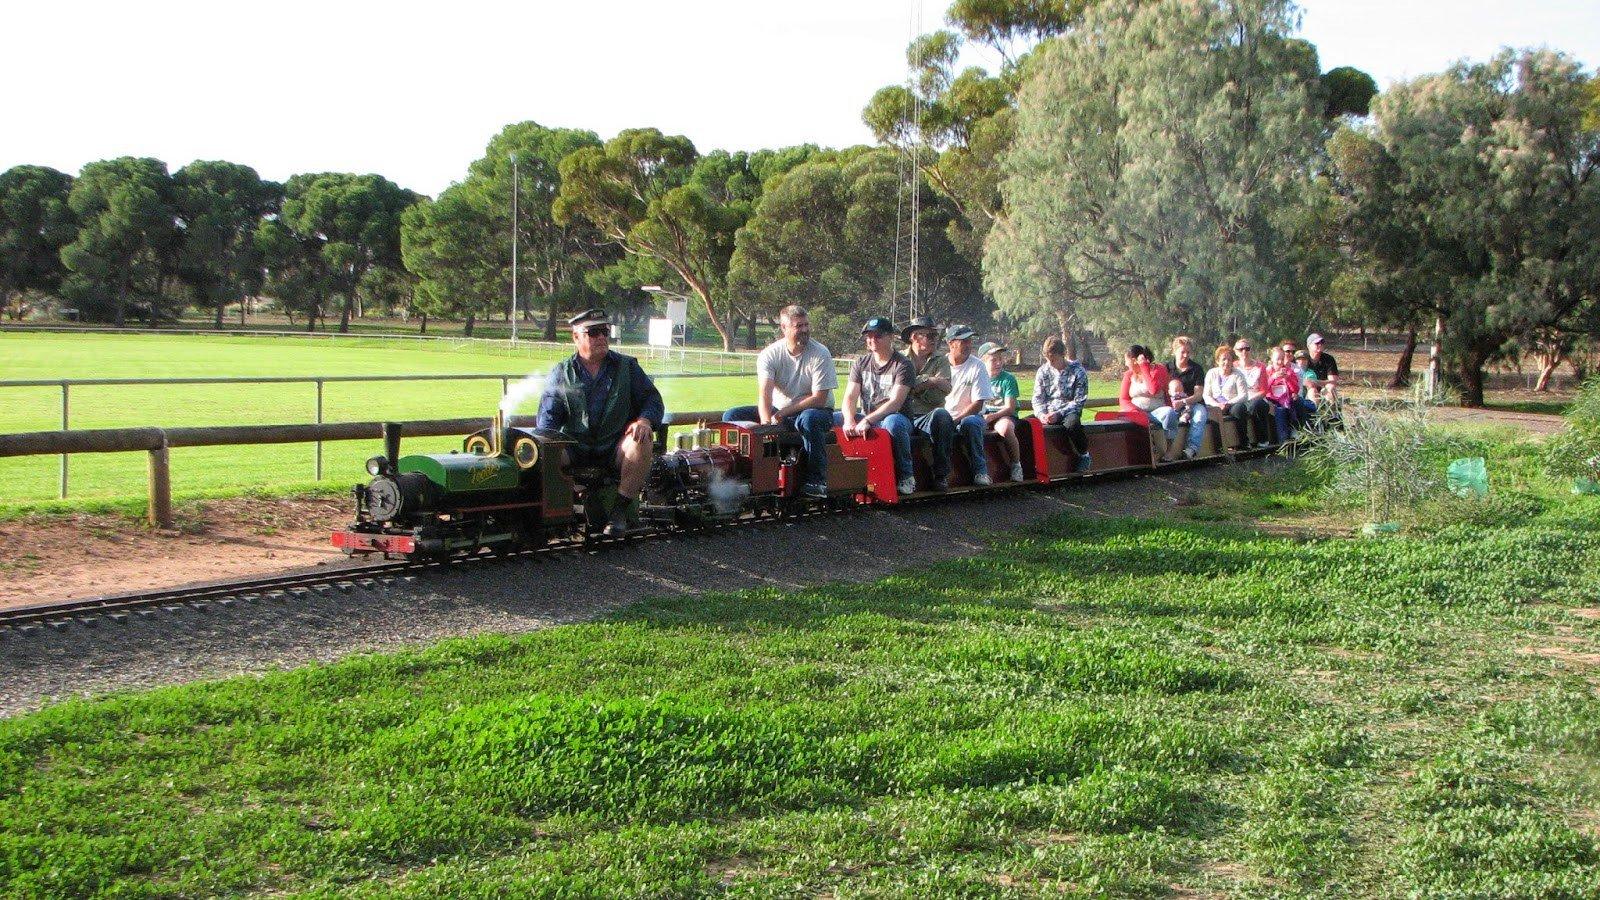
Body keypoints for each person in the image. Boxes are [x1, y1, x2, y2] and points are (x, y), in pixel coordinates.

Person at [536, 309, 665, 536]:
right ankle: (557, 514)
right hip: (575, 446)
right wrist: (546, 443)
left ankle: (619, 513)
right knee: (542, 452)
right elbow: (548, 421)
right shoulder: (560, 373)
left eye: (605, 331)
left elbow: (652, 399)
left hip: (614, 447)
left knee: (641, 440)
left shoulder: (627, 367)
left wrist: (644, 421)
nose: (601, 337)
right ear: (576, 337)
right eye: (593, 332)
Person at [724, 304, 837, 498]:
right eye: (798, 326)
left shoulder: (820, 353)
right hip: (780, 410)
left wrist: (785, 412)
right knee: (732, 416)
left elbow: (819, 398)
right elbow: (765, 394)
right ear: (784, 328)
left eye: (806, 325)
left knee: (808, 419)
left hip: (816, 412)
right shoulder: (770, 354)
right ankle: (740, 474)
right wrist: (766, 425)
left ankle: (817, 481)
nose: (804, 330)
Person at [836, 317, 918, 497]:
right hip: (866, 416)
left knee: (893, 423)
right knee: (833, 418)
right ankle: (833, 476)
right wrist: (849, 420)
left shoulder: (903, 365)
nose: (872, 340)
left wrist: (867, 420)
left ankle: (907, 477)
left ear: (891, 337)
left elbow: (895, 403)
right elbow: (849, 397)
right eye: (869, 336)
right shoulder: (861, 363)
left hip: (896, 417)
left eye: (878, 336)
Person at [901, 316, 956, 491]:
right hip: (904, 414)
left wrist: (914, 387)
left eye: (936, 335)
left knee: (942, 415)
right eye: (929, 336)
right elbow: (900, 390)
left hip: (929, 415)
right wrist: (931, 381)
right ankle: (903, 476)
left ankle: (941, 475)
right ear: (914, 337)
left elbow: (943, 392)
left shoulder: (941, 360)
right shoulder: (900, 359)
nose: (934, 339)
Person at [943, 324, 995, 486]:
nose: (968, 345)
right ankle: (939, 475)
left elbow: (978, 404)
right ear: (951, 343)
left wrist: (956, 420)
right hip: (943, 417)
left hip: (971, 416)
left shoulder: (977, 366)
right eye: (963, 341)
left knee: (970, 423)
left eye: (969, 341)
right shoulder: (939, 364)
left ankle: (981, 471)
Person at [1032, 335, 1092, 472]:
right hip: (1047, 411)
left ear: (1063, 355)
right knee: (1025, 424)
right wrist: (1041, 414)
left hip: (1068, 411)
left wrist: (1059, 414)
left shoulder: (1078, 372)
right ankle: (1032, 461)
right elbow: (1037, 398)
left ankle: (1084, 454)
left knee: (1073, 425)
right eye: (1048, 359)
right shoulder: (1043, 371)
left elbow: (1079, 401)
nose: (1050, 363)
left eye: (1054, 359)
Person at [979, 341, 1025, 482]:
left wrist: (992, 417)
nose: (998, 363)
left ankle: (1016, 465)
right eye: (994, 360)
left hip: (1004, 415)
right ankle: (980, 469)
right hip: (984, 415)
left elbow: (1010, 407)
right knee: (971, 427)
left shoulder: (1007, 379)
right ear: (983, 362)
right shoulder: (979, 378)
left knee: (1005, 428)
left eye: (1000, 359)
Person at [1164, 335, 1210, 460]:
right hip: (1172, 403)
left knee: (1200, 416)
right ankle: (1168, 449)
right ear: (1174, 351)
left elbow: (1198, 394)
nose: (1185, 355)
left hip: (1193, 402)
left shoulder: (1196, 369)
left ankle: (1191, 449)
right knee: (1167, 416)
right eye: (1182, 352)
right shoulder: (1166, 368)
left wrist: (1183, 401)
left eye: (1188, 352)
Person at [1204, 344, 1256, 449]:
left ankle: (1243, 442)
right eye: (1223, 359)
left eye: (1229, 359)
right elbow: (1206, 395)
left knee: (1239, 409)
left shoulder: (1238, 374)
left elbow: (1244, 395)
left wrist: (1228, 403)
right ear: (1217, 361)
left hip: (1232, 404)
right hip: (1215, 405)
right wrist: (1217, 405)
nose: (1226, 362)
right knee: (1210, 413)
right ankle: (1218, 447)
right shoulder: (1211, 373)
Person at [1232, 337, 1276, 447]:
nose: (1244, 352)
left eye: (1247, 349)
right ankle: (1244, 442)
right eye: (1241, 349)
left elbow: (1264, 391)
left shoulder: (1260, 367)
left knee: (1257, 405)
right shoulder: (1233, 367)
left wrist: (1249, 399)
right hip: (1240, 398)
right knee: (1238, 409)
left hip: (1257, 397)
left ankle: (1263, 439)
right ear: (1236, 352)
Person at [1119, 344, 1173, 431]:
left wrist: (1144, 367)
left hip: (1156, 413)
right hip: (1136, 413)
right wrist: (1135, 411)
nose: (1125, 364)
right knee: (1119, 418)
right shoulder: (1129, 374)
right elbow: (1123, 399)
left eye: (1126, 360)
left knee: (1169, 413)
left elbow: (1153, 390)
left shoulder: (1158, 370)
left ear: (1134, 360)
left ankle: (1168, 441)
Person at [1264, 346, 1303, 442]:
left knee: (1295, 403)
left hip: (1286, 398)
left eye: (1282, 359)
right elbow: (1264, 388)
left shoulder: (1288, 371)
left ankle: (1295, 429)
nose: (1280, 362)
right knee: (1280, 410)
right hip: (1272, 400)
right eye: (1278, 359)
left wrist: (1287, 379)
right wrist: (1273, 377)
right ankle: (1283, 439)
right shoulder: (1268, 371)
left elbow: (1295, 389)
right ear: (1272, 359)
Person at [1306, 333, 1340, 405]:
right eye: (1317, 343)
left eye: (1322, 342)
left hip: (1324, 388)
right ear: (1309, 346)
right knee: (1312, 391)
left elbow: (1333, 381)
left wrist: (1316, 382)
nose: (1320, 345)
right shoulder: (1302, 359)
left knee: (1330, 388)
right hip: (1306, 389)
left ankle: (1333, 413)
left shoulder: (1329, 359)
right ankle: (1316, 414)